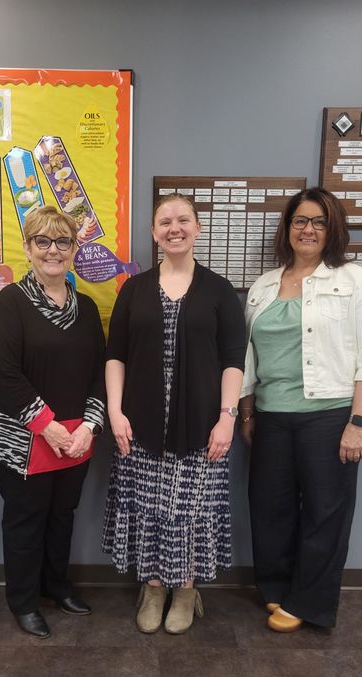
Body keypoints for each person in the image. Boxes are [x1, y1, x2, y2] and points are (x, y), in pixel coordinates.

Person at [239, 187, 362, 632]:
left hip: (330, 415)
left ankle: (310, 602)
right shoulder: (264, 286)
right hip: (271, 416)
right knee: (270, 508)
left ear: (332, 229)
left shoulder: (354, 280)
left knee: (326, 511)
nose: (308, 229)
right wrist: (248, 414)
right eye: (300, 221)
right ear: (287, 228)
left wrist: (358, 423)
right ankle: (277, 587)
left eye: (318, 222)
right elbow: (246, 357)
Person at [102, 193, 246, 635]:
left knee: (190, 510)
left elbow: (233, 359)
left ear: (198, 228)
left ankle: (185, 588)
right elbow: (116, 355)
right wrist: (114, 412)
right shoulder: (134, 289)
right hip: (140, 424)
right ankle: (152, 587)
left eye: (183, 219)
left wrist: (228, 417)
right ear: (153, 232)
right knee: (147, 507)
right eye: (165, 221)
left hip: (202, 424)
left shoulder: (219, 290)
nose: (174, 228)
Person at [0, 206, 105, 638]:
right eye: (43, 241)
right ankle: (23, 600)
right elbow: (4, 372)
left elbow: (99, 375)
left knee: (62, 515)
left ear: (74, 248)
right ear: (28, 247)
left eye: (63, 242)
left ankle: (56, 585)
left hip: (76, 438)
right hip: (25, 436)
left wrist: (88, 427)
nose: (53, 251)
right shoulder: (11, 302)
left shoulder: (87, 309)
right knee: (26, 517)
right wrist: (48, 425)